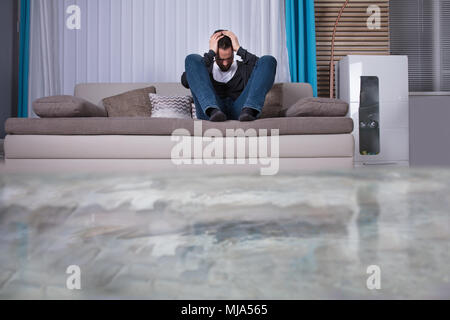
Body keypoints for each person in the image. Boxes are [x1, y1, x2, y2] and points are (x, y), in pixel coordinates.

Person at [181, 30, 277, 122]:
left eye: (229, 58)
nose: (226, 63)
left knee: (268, 60)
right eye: (221, 59)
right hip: (210, 114)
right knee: (192, 58)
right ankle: (212, 110)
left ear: (233, 53)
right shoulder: (204, 68)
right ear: (215, 55)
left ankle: (250, 110)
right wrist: (210, 54)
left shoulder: (244, 68)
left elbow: (265, 68)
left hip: (242, 112)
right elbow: (185, 80)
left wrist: (240, 50)